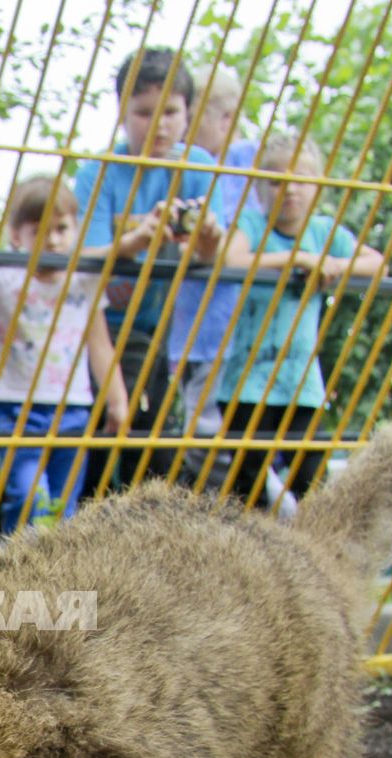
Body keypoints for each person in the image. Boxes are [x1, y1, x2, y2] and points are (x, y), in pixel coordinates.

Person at [73, 46, 236, 498]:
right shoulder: (99, 172)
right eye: (144, 112)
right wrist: (138, 240)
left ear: (187, 113)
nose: (159, 124)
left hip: (166, 339)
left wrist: (206, 238)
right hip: (99, 335)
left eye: (170, 111)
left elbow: (214, 257)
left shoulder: (199, 167)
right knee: (99, 462)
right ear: (123, 113)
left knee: (160, 460)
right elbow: (87, 259)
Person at [0, 177, 127, 533]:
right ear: (16, 236)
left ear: (76, 231)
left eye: (61, 229)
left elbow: (101, 345)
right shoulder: (7, 279)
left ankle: (61, 582)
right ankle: (22, 577)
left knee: (65, 507)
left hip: (72, 409)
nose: (53, 240)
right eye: (39, 231)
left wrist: (118, 400)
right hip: (16, 410)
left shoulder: (84, 282)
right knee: (28, 497)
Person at [215, 132, 385, 504]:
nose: (289, 190)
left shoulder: (323, 231)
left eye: (301, 181)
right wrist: (295, 260)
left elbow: (377, 264)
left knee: (311, 481)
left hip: (299, 383)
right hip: (248, 382)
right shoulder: (252, 224)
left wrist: (335, 265)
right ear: (261, 188)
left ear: (317, 186)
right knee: (249, 483)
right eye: (277, 182)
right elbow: (231, 260)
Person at [170, 63, 260, 481]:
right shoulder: (188, 164)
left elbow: (240, 241)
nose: (180, 128)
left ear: (225, 119)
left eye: (191, 118)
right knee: (196, 436)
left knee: (216, 442)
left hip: (228, 328)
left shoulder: (248, 166)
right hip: (188, 328)